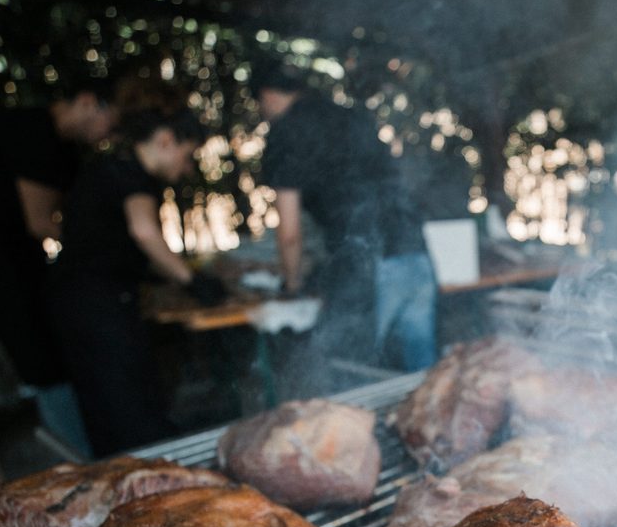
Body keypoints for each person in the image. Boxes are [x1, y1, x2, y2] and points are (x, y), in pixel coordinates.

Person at [0, 77, 120, 455]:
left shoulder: (65, 151)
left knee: (57, 346)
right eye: (111, 124)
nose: (108, 136)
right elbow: (42, 222)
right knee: (41, 359)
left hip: (22, 257)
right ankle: (84, 461)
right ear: (87, 101)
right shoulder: (30, 133)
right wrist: (107, 256)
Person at [44, 104, 225, 456]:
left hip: (75, 303)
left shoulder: (108, 168)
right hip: (97, 305)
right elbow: (143, 233)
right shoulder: (131, 174)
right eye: (187, 156)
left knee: (105, 407)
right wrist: (192, 282)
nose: (187, 169)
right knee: (128, 408)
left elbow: (119, 245)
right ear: (166, 140)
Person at [252, 62, 438, 378]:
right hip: (415, 251)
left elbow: (290, 232)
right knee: (424, 375)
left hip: (366, 260)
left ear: (267, 95)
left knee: (359, 374)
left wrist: (293, 286)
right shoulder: (353, 116)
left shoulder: (285, 131)